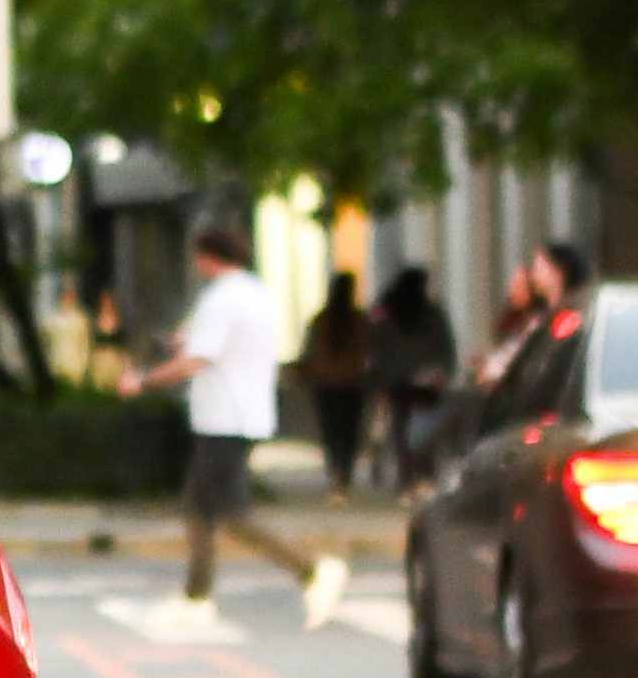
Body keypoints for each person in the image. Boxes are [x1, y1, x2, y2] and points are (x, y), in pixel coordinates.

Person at [132, 213, 351, 630]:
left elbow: (197, 358)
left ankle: (311, 572)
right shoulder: (255, 293)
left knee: (232, 514)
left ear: (208, 258)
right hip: (242, 412)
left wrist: (144, 380)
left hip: (223, 416)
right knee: (197, 506)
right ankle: (196, 596)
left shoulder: (221, 299)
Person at [366, 260, 457, 488]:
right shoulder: (432, 313)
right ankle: (424, 473)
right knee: (425, 426)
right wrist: (445, 371)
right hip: (425, 381)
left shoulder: (386, 311)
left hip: (396, 380)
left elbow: (377, 347)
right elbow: (445, 345)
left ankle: (406, 476)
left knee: (401, 427)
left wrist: (378, 380)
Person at [299, 267, 374, 498]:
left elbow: (309, 350)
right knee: (350, 431)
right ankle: (345, 473)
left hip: (325, 382)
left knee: (331, 430)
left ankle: (335, 471)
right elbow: (371, 351)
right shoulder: (360, 320)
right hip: (353, 381)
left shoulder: (321, 319)